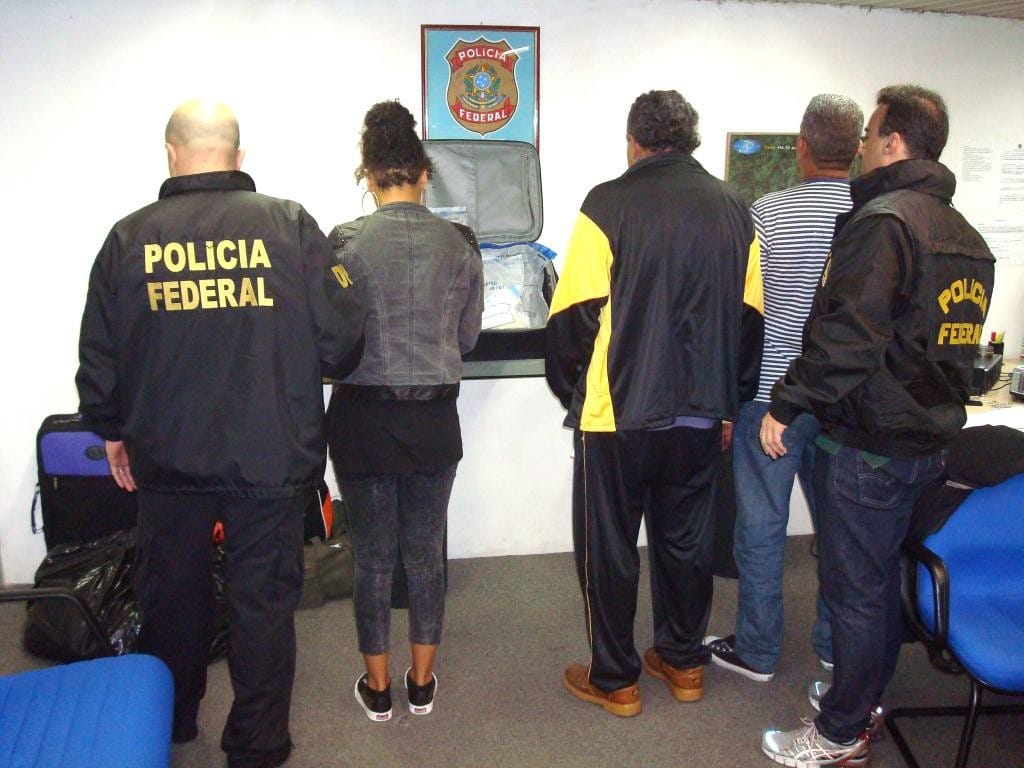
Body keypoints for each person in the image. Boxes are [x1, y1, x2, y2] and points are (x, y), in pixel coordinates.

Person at [75, 99, 366, 768]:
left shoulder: (128, 238)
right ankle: (257, 747)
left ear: (173, 154)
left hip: (167, 458)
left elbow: (100, 353)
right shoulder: (289, 226)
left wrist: (113, 431)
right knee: (261, 605)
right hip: (269, 458)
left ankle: (170, 719)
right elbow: (343, 339)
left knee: (169, 595)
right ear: (237, 157)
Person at [759, 85, 995, 766]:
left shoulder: (884, 221)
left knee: (856, 590)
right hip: (926, 442)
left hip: (870, 446)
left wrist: (786, 404)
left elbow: (848, 340)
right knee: (879, 585)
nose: (862, 146)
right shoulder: (965, 236)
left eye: (871, 135)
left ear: (892, 143)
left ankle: (839, 734)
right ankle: (861, 701)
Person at [545, 89, 764, 717]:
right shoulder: (735, 210)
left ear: (634, 142)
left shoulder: (606, 203)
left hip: (619, 415)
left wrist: (575, 391)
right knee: (687, 541)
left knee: (609, 546)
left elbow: (573, 317)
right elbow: (751, 320)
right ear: (689, 140)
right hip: (702, 414)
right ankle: (684, 660)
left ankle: (616, 678)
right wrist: (730, 404)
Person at [325, 100, 484, 723]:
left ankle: (378, 689)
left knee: (371, 556)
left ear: (368, 175)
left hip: (362, 421)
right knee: (424, 554)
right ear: (423, 172)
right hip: (433, 422)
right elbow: (467, 339)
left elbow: (332, 345)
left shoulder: (344, 246)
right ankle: (422, 684)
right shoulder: (460, 246)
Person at [704, 94, 864, 682]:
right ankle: (831, 645)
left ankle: (759, 651)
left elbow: (740, 314)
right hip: (842, 405)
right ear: (856, 149)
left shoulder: (765, 215)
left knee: (762, 529)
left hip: (770, 401)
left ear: (801, 146)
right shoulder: (872, 218)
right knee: (841, 534)